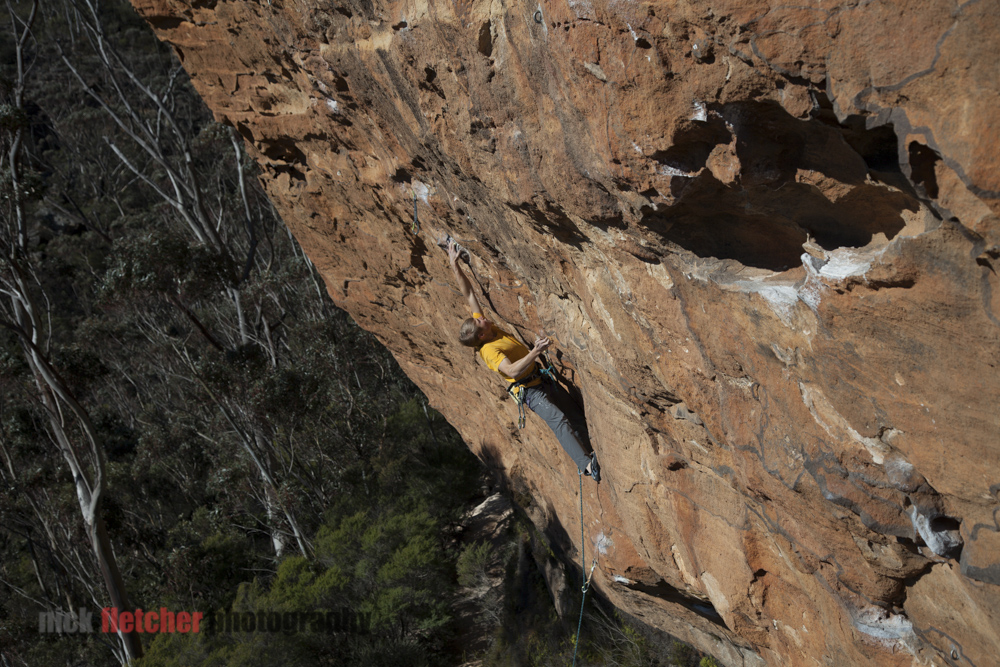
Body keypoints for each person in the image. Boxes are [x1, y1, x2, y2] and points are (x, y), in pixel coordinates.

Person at [448, 240, 600, 482]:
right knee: (558, 420)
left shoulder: (485, 330)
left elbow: (468, 294)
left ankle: (592, 450)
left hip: (541, 378)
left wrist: (453, 263)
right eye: (480, 322)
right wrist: (535, 351)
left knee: (574, 415)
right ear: (482, 335)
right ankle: (586, 466)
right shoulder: (489, 351)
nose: (482, 318)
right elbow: (511, 370)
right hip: (531, 392)